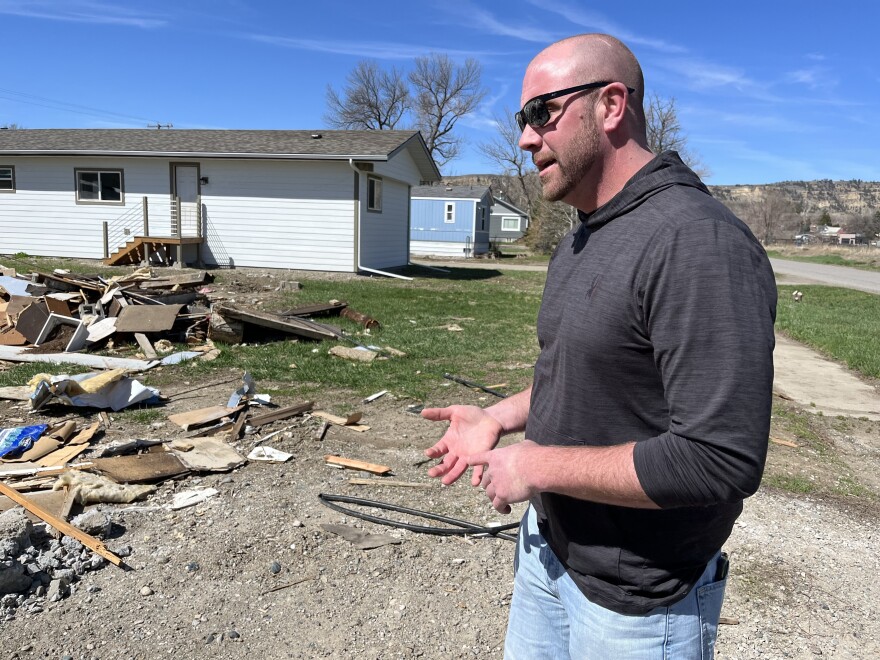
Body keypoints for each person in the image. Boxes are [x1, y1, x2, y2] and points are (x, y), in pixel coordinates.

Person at [421, 33, 777, 659]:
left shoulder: (695, 242)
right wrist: (500, 418)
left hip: (636, 602)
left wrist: (533, 465)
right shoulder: (583, 237)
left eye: (541, 113)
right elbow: (592, 372)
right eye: (521, 120)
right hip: (549, 554)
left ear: (611, 106)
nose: (526, 138)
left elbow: (720, 459)